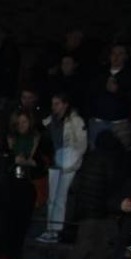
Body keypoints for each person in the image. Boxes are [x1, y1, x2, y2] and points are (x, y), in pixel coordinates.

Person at [39, 91, 87, 242]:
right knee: (52, 198)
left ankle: (56, 231)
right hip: (54, 163)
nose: (54, 107)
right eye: (53, 103)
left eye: (57, 103)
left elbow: (82, 144)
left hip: (68, 164)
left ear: (65, 104)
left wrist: (72, 161)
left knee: (60, 197)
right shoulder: (51, 120)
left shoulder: (76, 121)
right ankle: (50, 229)